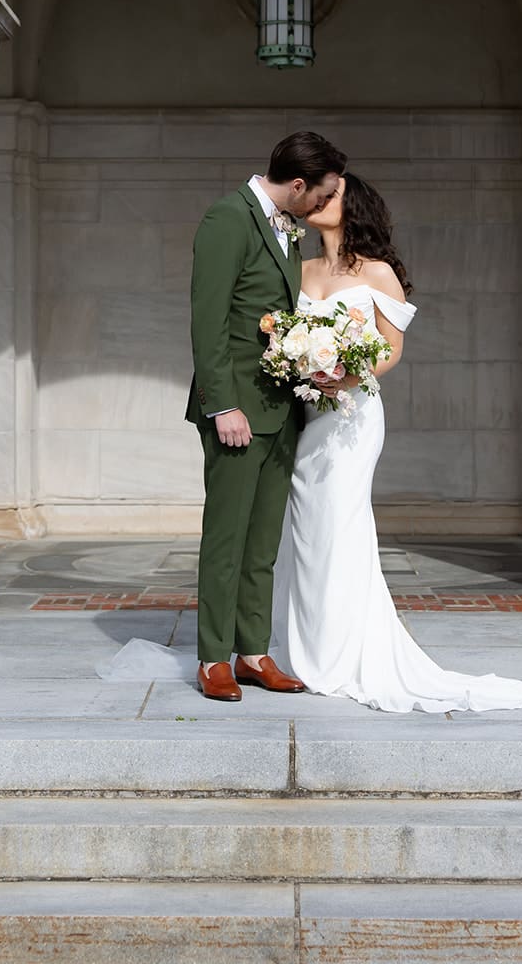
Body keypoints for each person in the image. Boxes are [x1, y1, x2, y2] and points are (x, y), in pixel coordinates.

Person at [272, 172, 522, 715]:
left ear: (350, 204)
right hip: (306, 414)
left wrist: (346, 372)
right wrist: (301, 362)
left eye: (328, 196)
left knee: (339, 522)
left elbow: (391, 349)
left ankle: (341, 652)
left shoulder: (377, 272)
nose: (316, 203)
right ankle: (300, 644)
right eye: (314, 196)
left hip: (352, 418)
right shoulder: (298, 269)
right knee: (304, 526)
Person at [186, 130, 346, 702]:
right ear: (297, 185)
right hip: (236, 411)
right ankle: (212, 659)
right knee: (226, 539)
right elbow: (208, 322)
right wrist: (222, 404)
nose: (322, 206)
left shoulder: (287, 228)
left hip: (282, 409)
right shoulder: (228, 218)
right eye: (320, 196)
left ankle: (252, 652)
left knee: (262, 544)